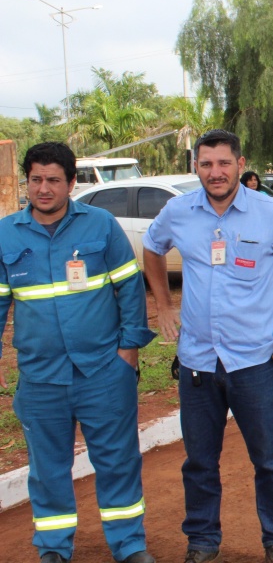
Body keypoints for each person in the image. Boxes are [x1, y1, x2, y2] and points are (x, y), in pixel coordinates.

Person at [141, 129, 273, 563]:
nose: (215, 172)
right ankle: (202, 542)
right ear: (196, 167)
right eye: (206, 164)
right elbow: (152, 249)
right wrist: (164, 305)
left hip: (254, 363)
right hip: (197, 364)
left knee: (269, 461)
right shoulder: (178, 211)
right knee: (199, 462)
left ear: (240, 165)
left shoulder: (272, 215)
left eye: (224, 163)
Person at [0, 142, 156, 563]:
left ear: (71, 182)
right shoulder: (5, 234)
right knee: (47, 470)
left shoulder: (101, 226)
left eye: (53, 180)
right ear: (27, 182)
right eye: (36, 180)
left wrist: (128, 352)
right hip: (40, 377)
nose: (44, 189)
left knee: (118, 462)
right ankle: (53, 549)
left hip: (104, 371)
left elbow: (129, 288)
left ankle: (129, 546)